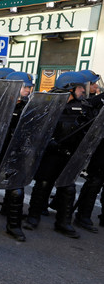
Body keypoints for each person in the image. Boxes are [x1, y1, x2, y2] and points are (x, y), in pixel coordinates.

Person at [23, 71, 97, 238]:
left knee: (68, 188)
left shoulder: (84, 107)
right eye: (79, 87)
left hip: (69, 154)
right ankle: (33, 217)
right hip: (51, 153)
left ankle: (63, 222)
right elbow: (36, 127)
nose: (82, 91)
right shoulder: (49, 103)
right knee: (42, 184)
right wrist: (48, 142)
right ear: (69, 88)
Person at [0, 71, 34, 241]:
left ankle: (14, 226)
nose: (29, 90)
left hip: (16, 153)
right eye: (26, 87)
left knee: (16, 191)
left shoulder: (28, 107)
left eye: (29, 87)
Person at [74, 70, 104, 231]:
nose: (95, 86)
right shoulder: (97, 101)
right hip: (100, 148)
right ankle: (83, 216)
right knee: (94, 182)